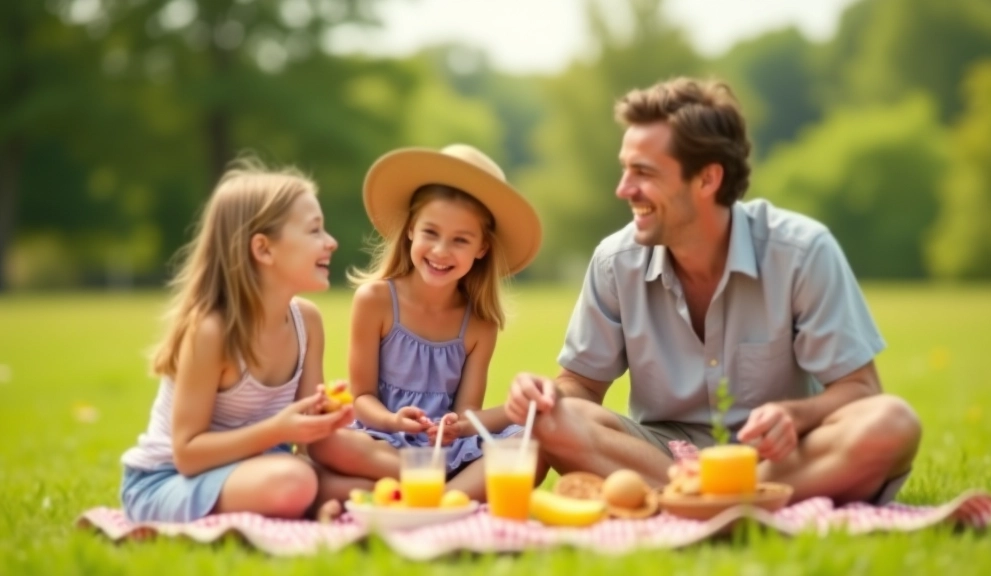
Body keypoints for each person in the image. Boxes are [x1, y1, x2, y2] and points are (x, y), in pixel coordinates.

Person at [503, 77, 922, 506]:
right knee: (550, 421)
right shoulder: (616, 261)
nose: (623, 188)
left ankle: (698, 500)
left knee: (892, 421)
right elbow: (581, 388)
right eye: (625, 168)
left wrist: (798, 415)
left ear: (707, 179)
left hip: (779, 456)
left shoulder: (801, 252)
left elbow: (861, 389)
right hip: (663, 454)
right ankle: (742, 499)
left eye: (643, 172)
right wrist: (548, 394)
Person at [119, 160, 356, 523]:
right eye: (315, 231)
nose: (331, 242)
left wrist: (326, 420)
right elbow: (187, 453)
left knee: (361, 484)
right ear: (263, 249)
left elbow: (308, 446)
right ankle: (304, 504)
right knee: (293, 481)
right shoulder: (212, 332)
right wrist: (279, 430)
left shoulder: (307, 322)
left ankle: (308, 504)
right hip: (169, 480)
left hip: (260, 468)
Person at [308, 144, 543, 502]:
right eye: (430, 233)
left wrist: (455, 426)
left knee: (533, 445)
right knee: (328, 445)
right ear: (410, 231)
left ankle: (427, 493)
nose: (440, 251)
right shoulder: (375, 301)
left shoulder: (479, 324)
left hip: (446, 453)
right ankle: (447, 495)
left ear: (482, 249)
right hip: (382, 441)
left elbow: (467, 411)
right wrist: (392, 421)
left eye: (460, 240)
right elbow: (363, 398)